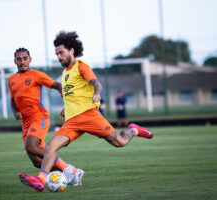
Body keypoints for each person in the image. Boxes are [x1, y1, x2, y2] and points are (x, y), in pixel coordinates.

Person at [18, 31, 153, 192]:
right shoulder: (65, 73)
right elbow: (73, 95)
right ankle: (40, 180)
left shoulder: (81, 66)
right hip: (72, 122)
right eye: (57, 54)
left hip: (90, 116)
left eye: (61, 53)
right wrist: (65, 109)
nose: (59, 57)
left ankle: (134, 130)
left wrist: (97, 93)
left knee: (119, 142)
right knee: (50, 147)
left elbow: (97, 83)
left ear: (71, 51)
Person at [9, 48, 81, 183]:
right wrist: (15, 111)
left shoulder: (36, 75)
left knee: (30, 147)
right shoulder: (11, 79)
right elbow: (13, 101)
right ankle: (71, 176)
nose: (22, 62)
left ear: (30, 59)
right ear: (15, 61)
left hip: (39, 117)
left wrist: (67, 104)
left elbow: (58, 86)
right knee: (37, 162)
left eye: (25, 58)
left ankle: (68, 169)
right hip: (26, 123)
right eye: (19, 59)